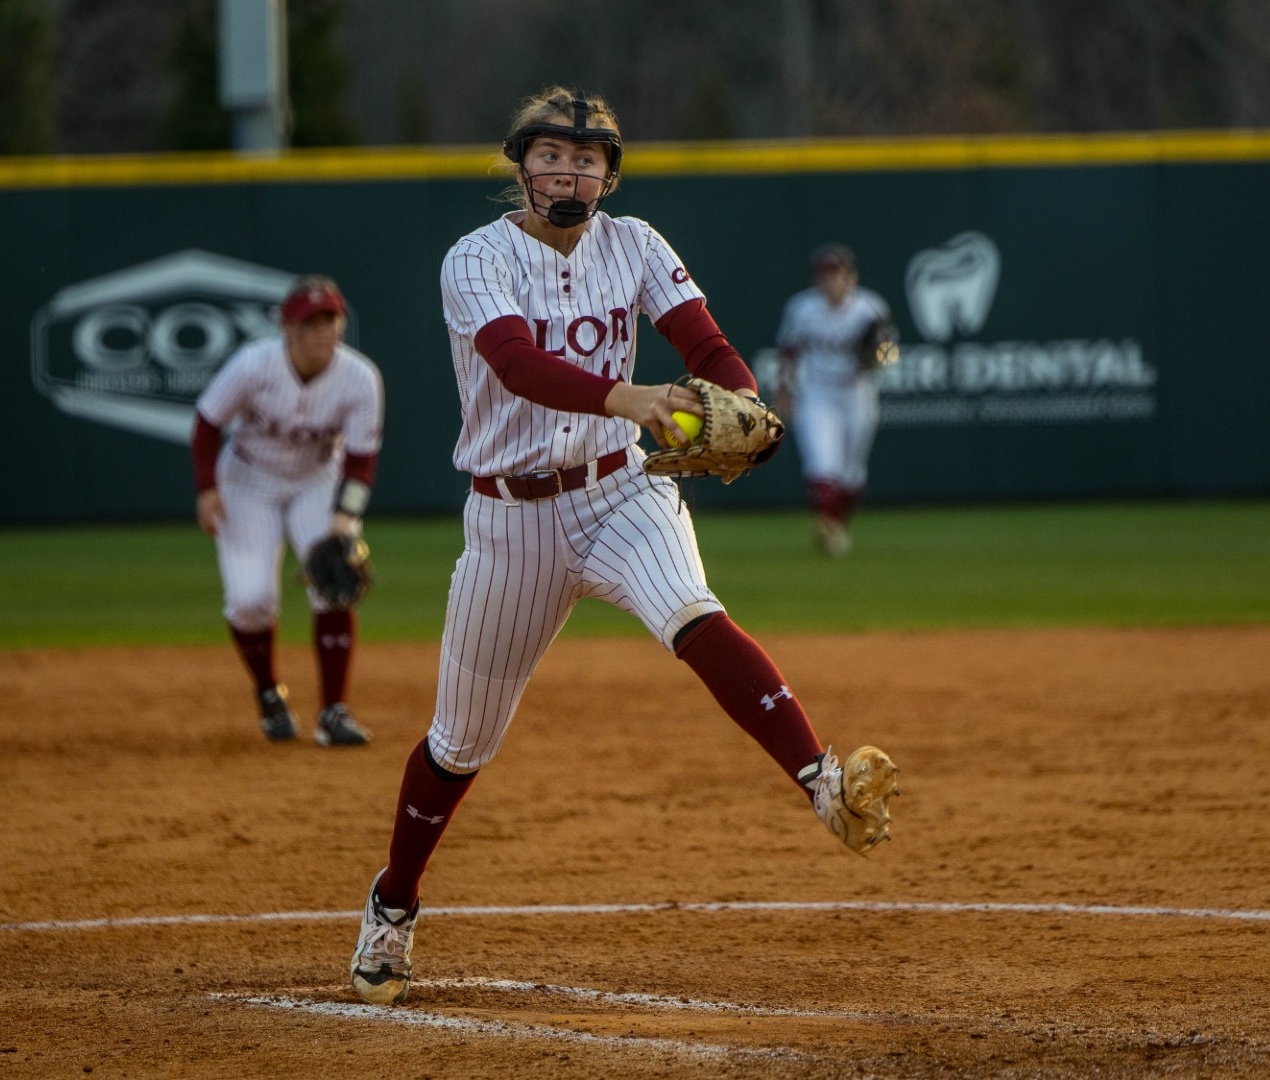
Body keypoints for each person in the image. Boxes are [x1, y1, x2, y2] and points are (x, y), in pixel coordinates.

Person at [346, 87, 901, 1007]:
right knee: (459, 743)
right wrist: (633, 398)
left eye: (588, 158)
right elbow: (516, 364)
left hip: (620, 488)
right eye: (552, 156)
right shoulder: (475, 257)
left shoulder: (636, 243)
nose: (569, 171)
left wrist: (745, 402)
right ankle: (393, 906)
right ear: (520, 165)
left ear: (610, 174)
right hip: (510, 515)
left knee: (694, 612)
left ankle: (822, 781)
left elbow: (707, 344)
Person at [190, 275, 383, 747]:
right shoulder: (253, 365)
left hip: (317, 482)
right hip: (247, 482)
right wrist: (206, 489)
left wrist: (343, 518)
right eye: (310, 321)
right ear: (288, 328)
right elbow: (207, 424)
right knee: (251, 600)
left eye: (330, 319)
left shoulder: (359, 377)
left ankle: (334, 711)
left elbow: (361, 459)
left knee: (334, 585)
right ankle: (268, 693)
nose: (322, 330)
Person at [773, 242, 896, 557]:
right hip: (817, 393)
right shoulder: (802, 309)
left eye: (838, 274)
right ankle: (827, 526)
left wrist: (879, 354)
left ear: (851, 277)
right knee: (821, 465)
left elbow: (888, 353)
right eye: (825, 275)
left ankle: (836, 526)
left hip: (857, 392)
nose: (831, 281)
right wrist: (784, 390)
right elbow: (789, 352)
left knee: (853, 474)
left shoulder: (870, 308)